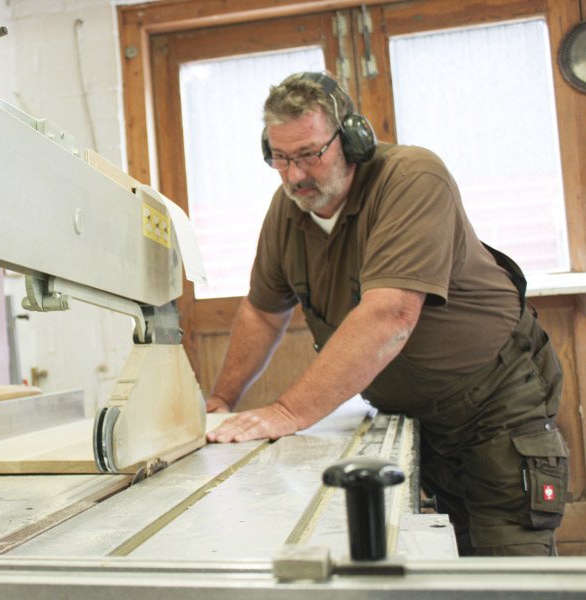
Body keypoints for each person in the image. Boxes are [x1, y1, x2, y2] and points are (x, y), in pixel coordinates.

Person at [205, 71, 568, 556]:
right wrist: (220, 402)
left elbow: (390, 316)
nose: (294, 176)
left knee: (511, 563)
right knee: (458, 557)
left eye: (310, 154)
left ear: (353, 139)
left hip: (495, 404)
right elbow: (263, 312)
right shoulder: (287, 210)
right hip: (420, 418)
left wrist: (286, 412)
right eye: (281, 157)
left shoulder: (412, 178)